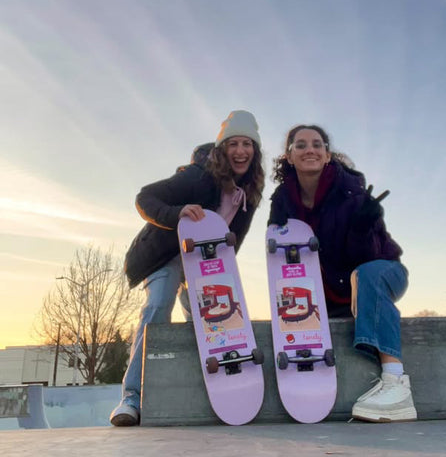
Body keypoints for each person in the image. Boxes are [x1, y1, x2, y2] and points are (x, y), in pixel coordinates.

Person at [110, 110, 264, 427]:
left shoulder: (249, 190)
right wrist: (177, 212)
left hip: (203, 262)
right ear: (222, 148)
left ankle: (218, 389)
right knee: (158, 305)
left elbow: (234, 237)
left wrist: (222, 274)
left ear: (255, 150)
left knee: (211, 318)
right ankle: (132, 398)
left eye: (247, 144)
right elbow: (145, 197)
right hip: (165, 254)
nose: (240, 151)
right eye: (233, 144)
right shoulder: (198, 176)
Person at [268, 124, 417, 422]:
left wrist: (362, 227)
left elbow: (368, 258)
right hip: (330, 291)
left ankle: (396, 382)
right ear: (289, 156)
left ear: (327, 155)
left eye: (317, 144)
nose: (310, 150)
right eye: (301, 145)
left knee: (366, 274)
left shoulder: (352, 194)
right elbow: (282, 260)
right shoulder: (283, 200)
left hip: (381, 272)